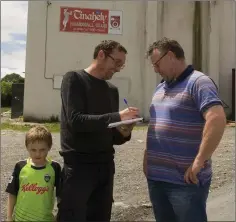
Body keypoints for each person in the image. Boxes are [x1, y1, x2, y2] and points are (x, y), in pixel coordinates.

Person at [144, 37, 226, 222]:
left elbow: (216, 118)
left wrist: (199, 160)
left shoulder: (199, 82)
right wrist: (147, 156)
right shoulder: (160, 87)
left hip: (184, 181)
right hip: (157, 179)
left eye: (156, 64)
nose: (155, 69)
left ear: (170, 55)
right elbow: (157, 124)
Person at [57, 40, 139, 222]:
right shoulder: (74, 79)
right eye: (116, 62)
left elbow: (110, 133)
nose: (118, 69)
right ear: (101, 54)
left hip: (105, 167)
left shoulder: (112, 90)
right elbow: (76, 121)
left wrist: (124, 131)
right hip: (79, 167)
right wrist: (117, 116)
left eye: (121, 65)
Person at [5, 125, 61, 221]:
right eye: (33, 150)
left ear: (49, 147)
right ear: (27, 147)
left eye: (42, 150)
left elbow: (60, 195)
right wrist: (9, 217)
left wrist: (59, 216)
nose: (37, 154)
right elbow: (12, 193)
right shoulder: (20, 166)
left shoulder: (54, 167)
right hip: (20, 219)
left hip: (45, 219)